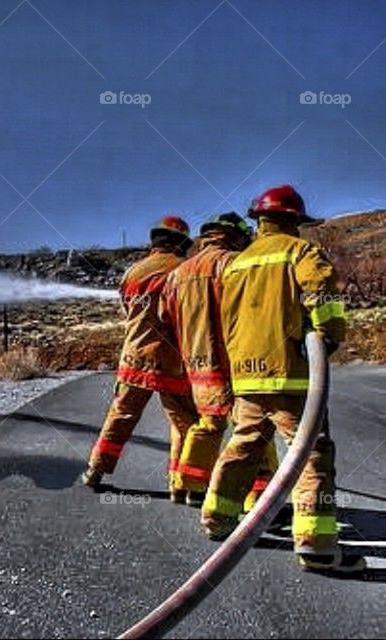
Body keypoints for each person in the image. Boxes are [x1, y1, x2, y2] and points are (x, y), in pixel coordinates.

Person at [201, 185, 364, 573]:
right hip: (289, 375)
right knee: (311, 453)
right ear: (294, 221)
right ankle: (316, 545)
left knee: (244, 444)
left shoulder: (236, 264)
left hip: (247, 377)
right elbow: (322, 294)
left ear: (259, 221)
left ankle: (217, 517)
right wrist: (330, 336)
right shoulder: (300, 252)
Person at [161, 213, 277, 508]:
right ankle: (258, 498)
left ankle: (192, 485)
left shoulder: (177, 274)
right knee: (254, 428)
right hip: (235, 364)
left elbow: (165, 318)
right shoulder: (236, 264)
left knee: (209, 423)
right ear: (234, 235)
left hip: (197, 366)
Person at [81, 216, 199, 501]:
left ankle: (95, 470)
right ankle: (179, 485)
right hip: (172, 360)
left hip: (133, 359)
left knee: (120, 416)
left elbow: (129, 311)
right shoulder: (184, 271)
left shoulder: (132, 272)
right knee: (184, 423)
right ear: (180, 243)